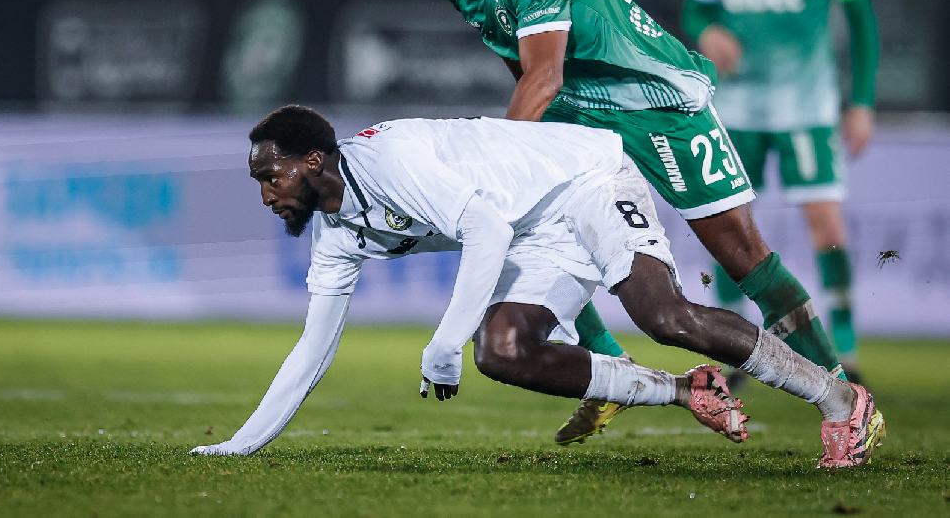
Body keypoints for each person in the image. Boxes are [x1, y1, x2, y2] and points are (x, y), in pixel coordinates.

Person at [396, 0, 850, 445]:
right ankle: (611, 368)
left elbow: (544, 74)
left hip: (655, 101)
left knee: (744, 259)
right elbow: (521, 64)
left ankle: (843, 394)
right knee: (535, 224)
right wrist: (530, 154)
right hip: (576, 110)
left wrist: (504, 162)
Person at [189, 105, 884, 469]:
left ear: (314, 161)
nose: (266, 194)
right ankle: (683, 390)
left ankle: (840, 400)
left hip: (584, 182)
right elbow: (311, 348)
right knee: (502, 352)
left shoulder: (388, 160)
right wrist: (239, 446)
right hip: (532, 229)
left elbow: (484, 231)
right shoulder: (337, 234)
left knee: (663, 315)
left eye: (270, 176)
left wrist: (442, 342)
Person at [682, 0, 879, 385]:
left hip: (806, 110)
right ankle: (735, 348)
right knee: (727, 225)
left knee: (826, 223)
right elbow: (695, 9)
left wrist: (861, 101)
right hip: (737, 111)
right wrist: (708, 31)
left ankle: (845, 351)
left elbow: (862, 18)